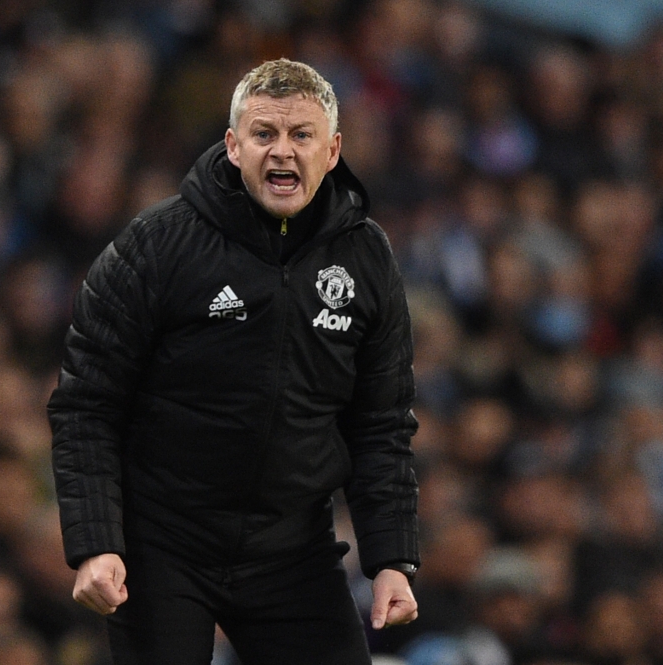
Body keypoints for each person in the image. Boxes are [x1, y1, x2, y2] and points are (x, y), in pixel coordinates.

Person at [47, 58, 420, 665]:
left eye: (302, 135)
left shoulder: (367, 259)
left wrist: (392, 558)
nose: (283, 152)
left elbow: (381, 423)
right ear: (231, 145)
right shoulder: (157, 244)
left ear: (333, 151)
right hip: (161, 542)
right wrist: (95, 542)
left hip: (292, 550)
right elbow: (86, 403)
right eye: (264, 134)